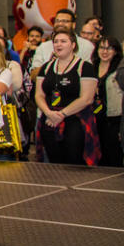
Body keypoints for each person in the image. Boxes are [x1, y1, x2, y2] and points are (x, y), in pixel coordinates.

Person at [34, 30, 100, 166]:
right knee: (54, 161)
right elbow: (39, 94)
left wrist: (62, 114)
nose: (58, 44)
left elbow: (87, 98)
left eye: (63, 41)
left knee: (74, 161)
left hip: (75, 120)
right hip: (50, 119)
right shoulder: (46, 68)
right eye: (56, 42)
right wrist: (49, 113)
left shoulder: (85, 67)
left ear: (73, 45)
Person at [30, 9, 94, 80]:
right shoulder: (43, 47)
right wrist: (50, 64)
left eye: (65, 21)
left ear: (73, 25)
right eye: (57, 21)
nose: (60, 24)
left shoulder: (87, 46)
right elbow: (33, 76)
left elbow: (89, 74)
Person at [93, 36, 122, 166]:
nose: (105, 51)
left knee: (112, 153)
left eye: (109, 48)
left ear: (116, 51)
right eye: (102, 48)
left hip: (113, 118)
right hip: (93, 116)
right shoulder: (91, 67)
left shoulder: (119, 69)